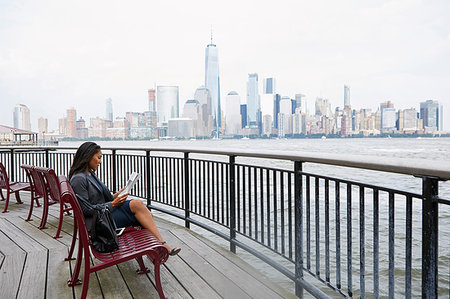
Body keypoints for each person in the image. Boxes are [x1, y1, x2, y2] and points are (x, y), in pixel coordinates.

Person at [69, 142, 180, 256]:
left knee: (142, 210)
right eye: (99, 157)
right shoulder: (79, 179)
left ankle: (155, 247)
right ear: (88, 156)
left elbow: (97, 199)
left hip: (104, 214)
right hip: (99, 222)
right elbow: (85, 209)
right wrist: (113, 204)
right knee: (139, 209)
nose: (100, 161)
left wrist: (117, 195)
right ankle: (161, 245)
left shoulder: (88, 174)